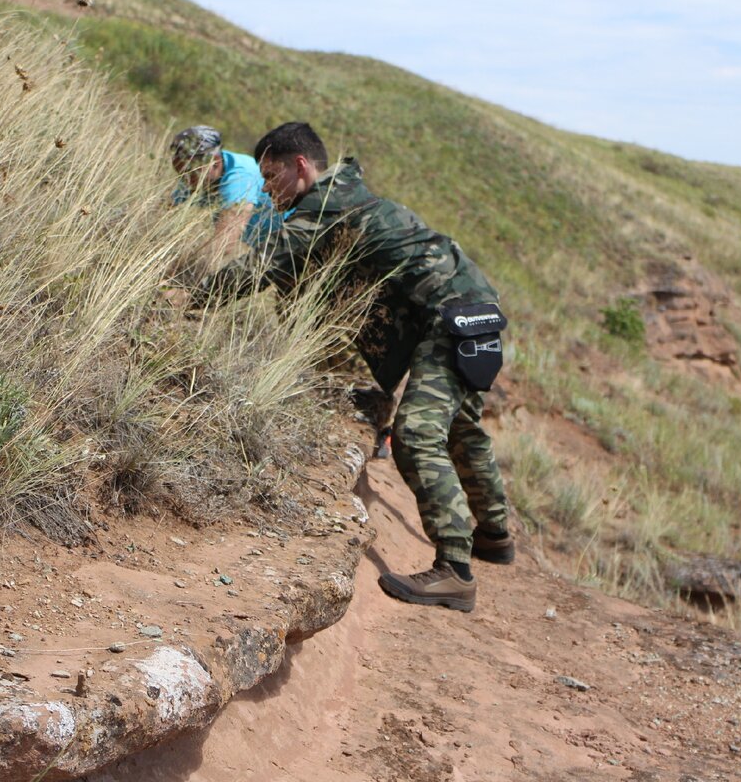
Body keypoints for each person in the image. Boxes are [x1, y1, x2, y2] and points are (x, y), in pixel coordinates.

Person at [198, 122, 514, 612]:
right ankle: (494, 535)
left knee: (416, 435)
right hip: (470, 308)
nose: (264, 187)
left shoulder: (324, 204)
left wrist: (190, 299)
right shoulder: (346, 196)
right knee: (463, 428)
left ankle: (455, 572)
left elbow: (262, 269)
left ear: (300, 167)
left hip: (450, 317)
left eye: (271, 174)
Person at [169, 125, 285, 253]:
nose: (186, 182)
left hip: (293, 242)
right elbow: (167, 210)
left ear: (215, 162)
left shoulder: (240, 178)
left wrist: (180, 267)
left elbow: (223, 244)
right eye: (182, 175)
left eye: (190, 174)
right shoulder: (198, 172)